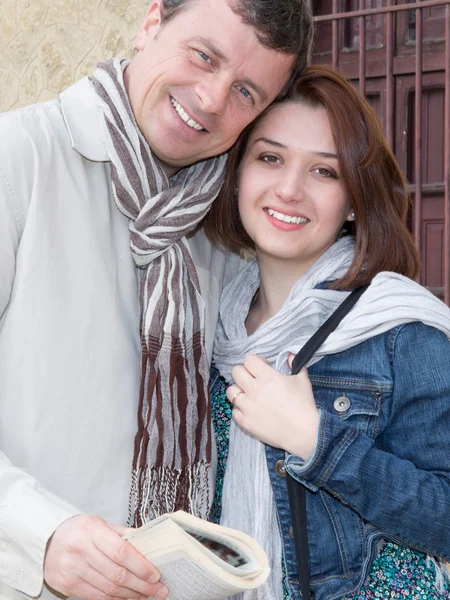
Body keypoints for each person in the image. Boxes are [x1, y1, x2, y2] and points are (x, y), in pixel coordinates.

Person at [0, 1, 313, 599]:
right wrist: (40, 534)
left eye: (247, 92)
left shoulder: (228, 234)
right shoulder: (18, 161)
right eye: (203, 56)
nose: (214, 99)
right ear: (150, 24)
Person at [204, 64, 450, 600]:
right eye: (270, 158)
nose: (289, 189)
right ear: (237, 173)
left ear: (355, 199)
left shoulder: (399, 332)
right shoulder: (210, 327)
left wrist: (316, 442)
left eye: (325, 172)